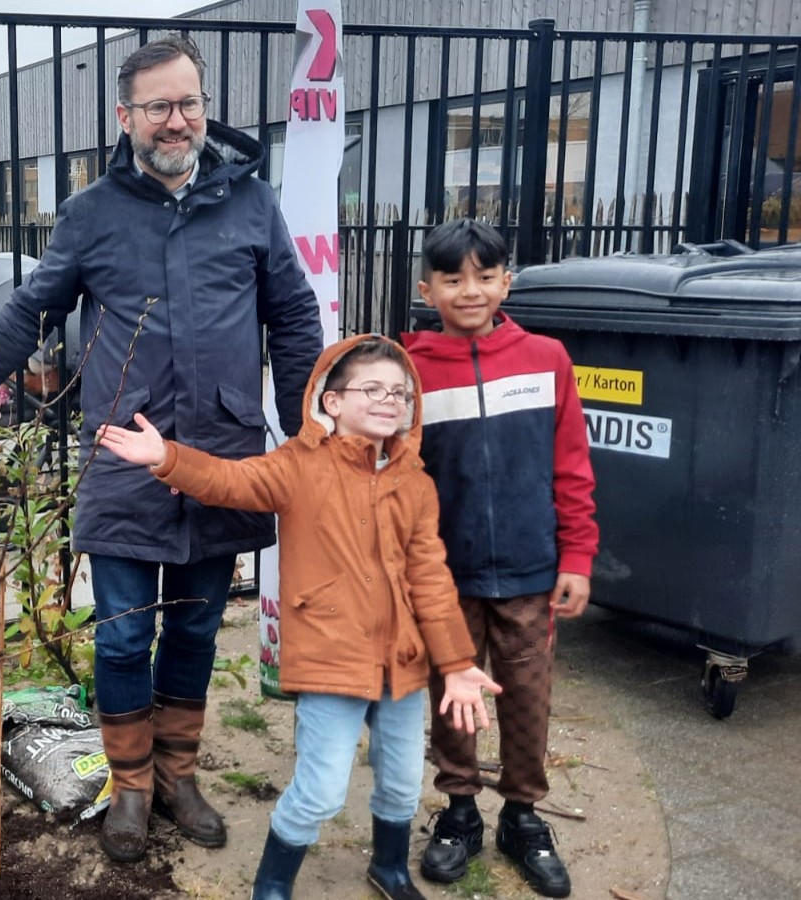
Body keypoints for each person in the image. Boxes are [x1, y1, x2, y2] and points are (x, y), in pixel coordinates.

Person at [0, 35, 324, 861]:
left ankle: (179, 775)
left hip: (223, 457)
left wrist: (309, 430)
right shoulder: (92, 214)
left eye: (190, 103)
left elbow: (294, 316)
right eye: (160, 106)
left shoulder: (252, 203)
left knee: (200, 628)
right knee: (124, 636)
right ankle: (131, 786)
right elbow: (30, 311)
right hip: (125, 459)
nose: (178, 122)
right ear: (125, 115)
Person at [95, 335, 502, 900]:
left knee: (405, 784)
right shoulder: (299, 466)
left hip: (402, 666)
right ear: (331, 402)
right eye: (372, 389)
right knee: (321, 790)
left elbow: (431, 578)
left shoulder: (416, 483)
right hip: (330, 660)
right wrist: (166, 458)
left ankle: (389, 867)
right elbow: (231, 481)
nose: (390, 401)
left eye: (401, 393)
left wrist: (456, 663)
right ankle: (272, 884)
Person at [404, 219, 597, 899]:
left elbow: (572, 466)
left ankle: (522, 815)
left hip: (530, 572)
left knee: (526, 698)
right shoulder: (410, 371)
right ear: (427, 288)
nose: (470, 290)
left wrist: (577, 555)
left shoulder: (547, 359)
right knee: (453, 699)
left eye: (485, 275)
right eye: (453, 278)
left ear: (506, 281)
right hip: (445, 579)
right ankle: (458, 810)